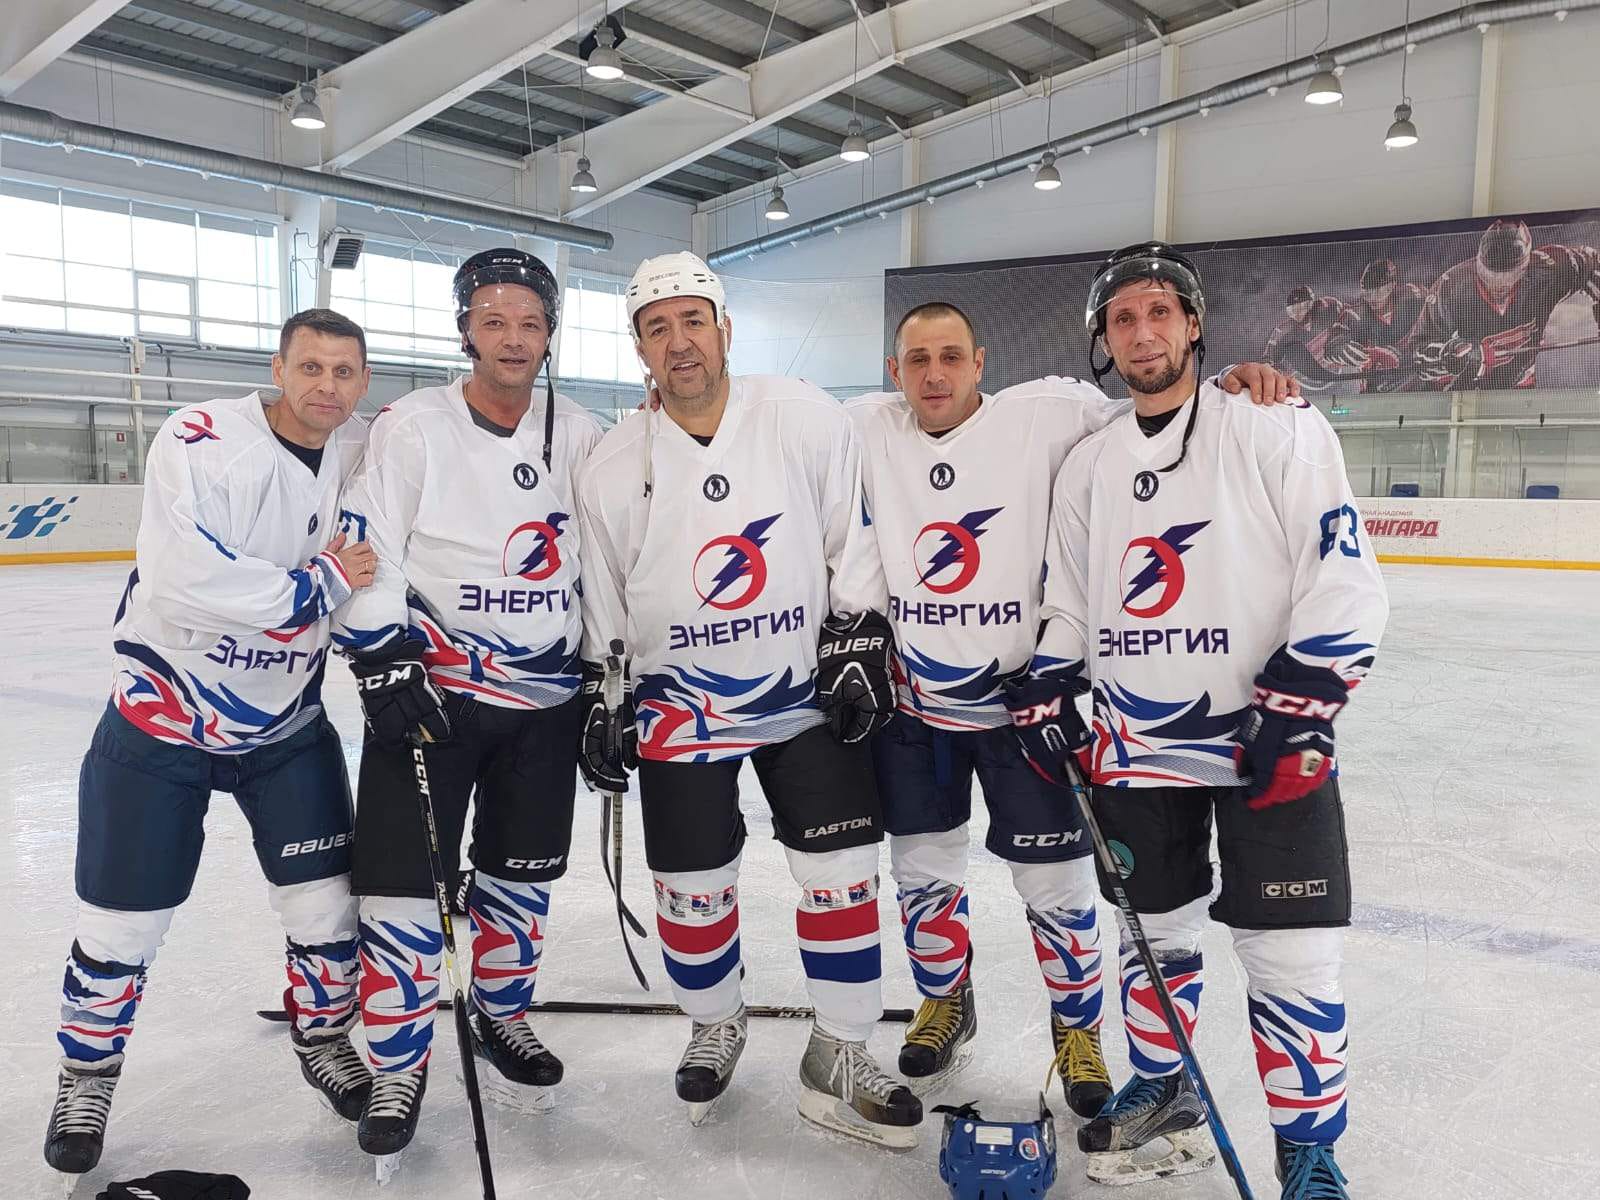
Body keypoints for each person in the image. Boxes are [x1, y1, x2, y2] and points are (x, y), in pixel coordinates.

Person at [1004, 243, 1388, 1199]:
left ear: (1193, 323)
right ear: (1104, 340)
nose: (1143, 333)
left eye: (1159, 312)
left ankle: (1308, 1151)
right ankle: (1164, 1085)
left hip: (1266, 744)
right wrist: (1048, 680)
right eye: (1123, 319)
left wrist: (1305, 703)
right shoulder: (1091, 463)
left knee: (1293, 954)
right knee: (1153, 936)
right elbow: (1072, 600)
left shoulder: (1273, 423)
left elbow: (1341, 570)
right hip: (1134, 745)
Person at [848, 303, 1295, 1115]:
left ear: (981, 362)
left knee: (1056, 889)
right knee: (920, 876)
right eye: (917, 360)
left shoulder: (1050, 413)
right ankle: (946, 1001)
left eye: (951, 356)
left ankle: (1076, 1028)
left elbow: (1156, 405)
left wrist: (1230, 383)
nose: (935, 374)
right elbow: (764, 427)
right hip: (915, 716)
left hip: (1024, 710)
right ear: (893, 371)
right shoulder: (867, 426)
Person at [575, 251, 919, 1147]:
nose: (679, 342)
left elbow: (852, 533)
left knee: (842, 875)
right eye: (658, 329)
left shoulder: (800, 414)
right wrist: (603, 692)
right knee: (691, 887)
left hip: (803, 693)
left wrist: (858, 630)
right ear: (639, 348)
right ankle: (714, 1021)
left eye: (694, 321)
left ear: (725, 329)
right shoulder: (613, 462)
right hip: (678, 704)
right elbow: (604, 589)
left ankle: (840, 1048)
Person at [44, 309, 378, 1183]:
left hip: (285, 725)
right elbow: (183, 579)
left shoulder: (363, 450)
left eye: (345, 371)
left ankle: (325, 1038)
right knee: (121, 922)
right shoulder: (200, 438)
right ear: (278, 368)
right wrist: (320, 583)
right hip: (161, 721)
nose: (327, 386)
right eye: (311, 367)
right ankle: (87, 1076)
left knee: (327, 911)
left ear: (363, 381)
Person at [331, 249, 602, 1162]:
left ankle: (501, 1013)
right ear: (465, 332)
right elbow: (370, 541)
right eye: (494, 321)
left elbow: (604, 559)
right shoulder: (414, 425)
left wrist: (605, 676)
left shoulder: (584, 432)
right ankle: (398, 1063)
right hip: (432, 694)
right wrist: (382, 652)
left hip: (545, 700)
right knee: (403, 886)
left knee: (521, 876)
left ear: (550, 334)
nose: (512, 338)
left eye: (529, 323)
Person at [1414, 218, 1600, 389]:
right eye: (1489, 274)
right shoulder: (1450, 287)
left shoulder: (1550, 269)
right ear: (1479, 262)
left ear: (1525, 266)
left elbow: (1593, 265)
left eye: (1509, 275)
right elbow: (1417, 356)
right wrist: (1445, 356)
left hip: (1522, 387)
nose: (1498, 284)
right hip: (1467, 394)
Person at [1322, 258, 1428, 393]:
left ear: (1392, 285)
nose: (1372, 298)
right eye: (1367, 292)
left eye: (1378, 291)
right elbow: (1332, 344)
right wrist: (1341, 350)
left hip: (1417, 382)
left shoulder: (1415, 296)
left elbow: (1438, 314)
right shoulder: (1355, 314)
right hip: (1378, 388)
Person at [1262, 284, 1346, 387]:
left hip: (1335, 358)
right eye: (1293, 310)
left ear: (1311, 304)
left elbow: (1347, 314)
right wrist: (1270, 365)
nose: (1297, 314)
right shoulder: (1285, 328)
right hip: (1305, 372)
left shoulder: (1328, 307)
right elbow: (1269, 352)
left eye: (1301, 308)